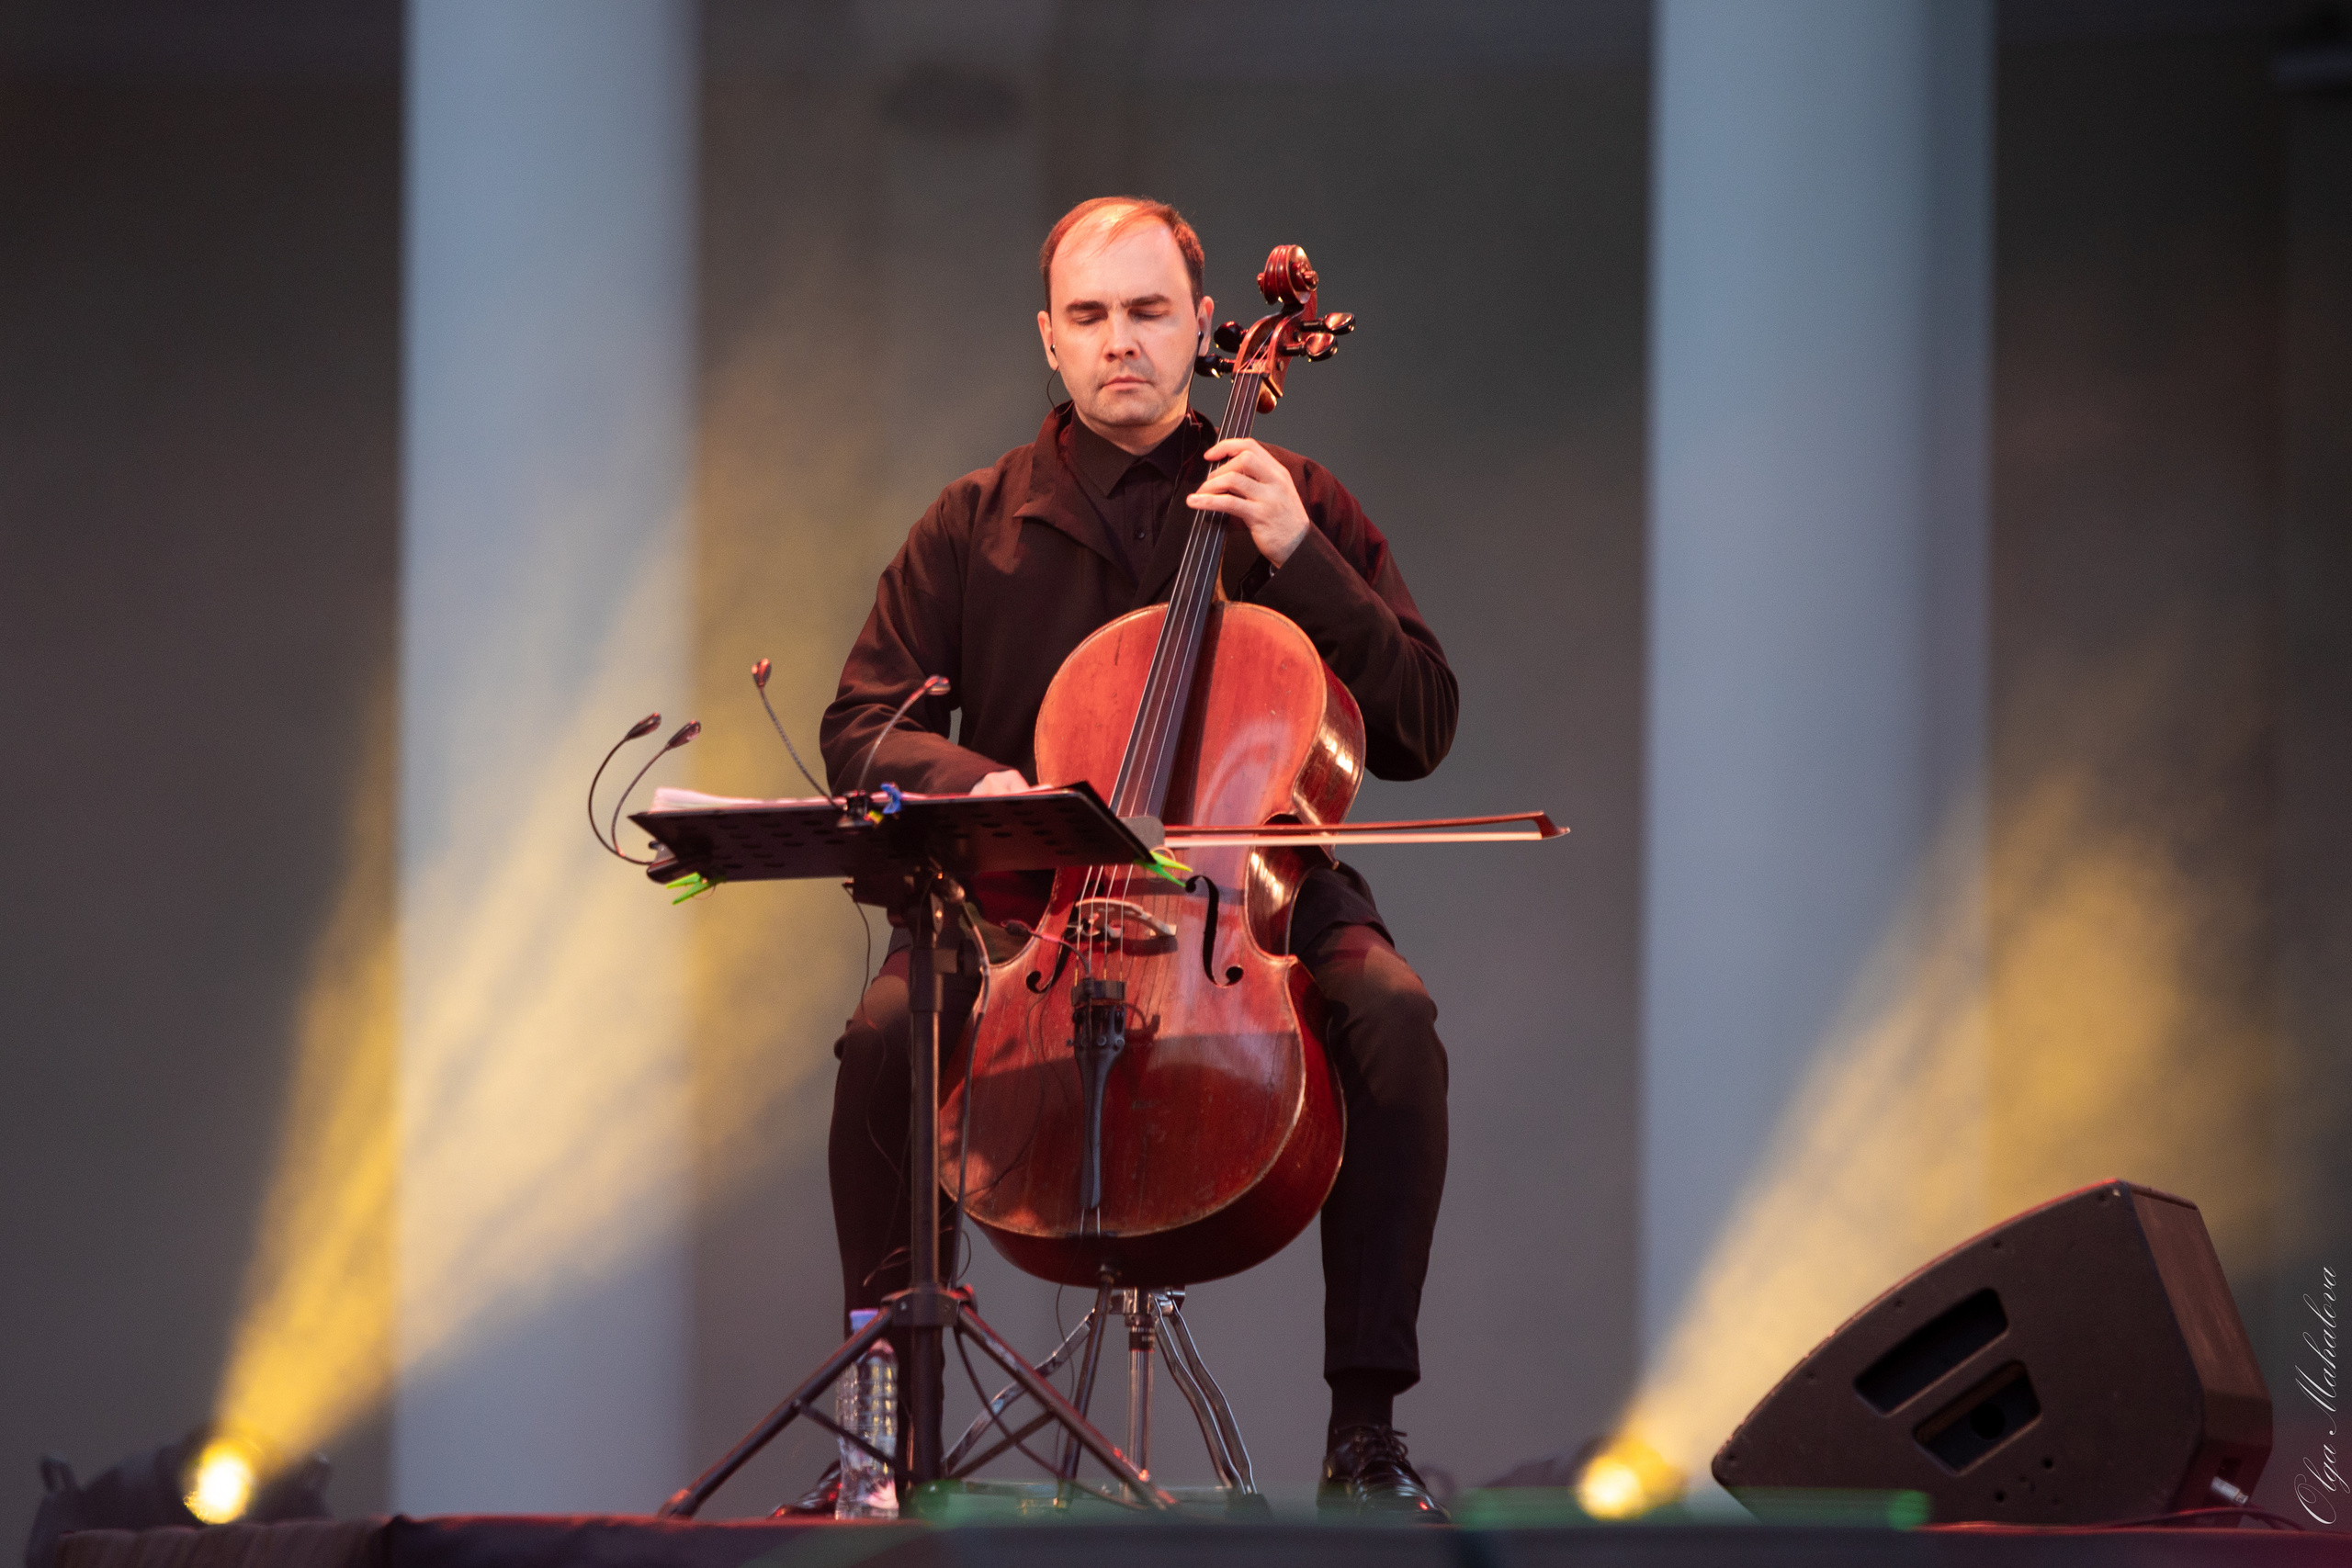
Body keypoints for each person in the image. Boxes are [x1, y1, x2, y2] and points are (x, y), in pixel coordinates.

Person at [807, 197, 1455, 1519]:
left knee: (1395, 1019)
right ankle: (884, 1425)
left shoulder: (1295, 503)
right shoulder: (970, 525)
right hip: (1021, 908)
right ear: (1049, 339)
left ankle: (1364, 1434)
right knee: (885, 1033)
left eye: (1151, 314)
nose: (1122, 343)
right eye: (1091, 317)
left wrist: (1303, 561)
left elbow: (1421, 727)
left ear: (1206, 328)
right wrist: (987, 782)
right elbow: (859, 730)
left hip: (1249, 897)